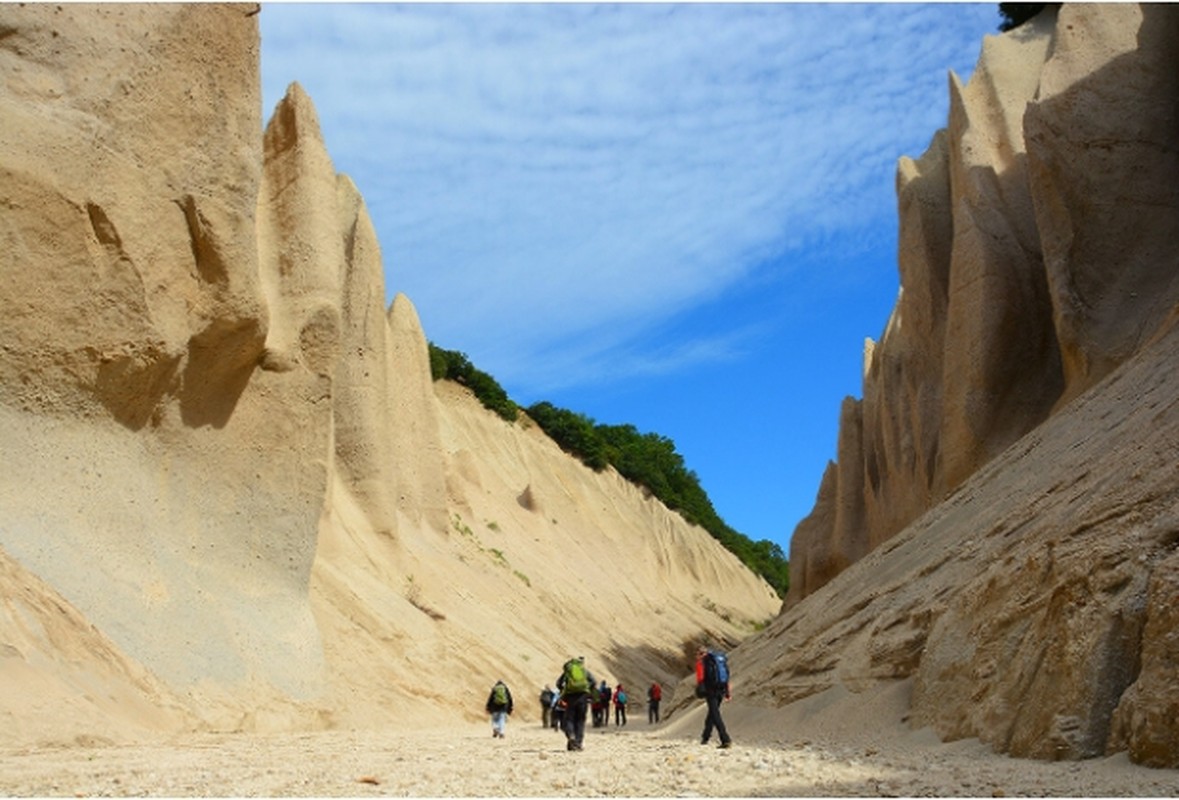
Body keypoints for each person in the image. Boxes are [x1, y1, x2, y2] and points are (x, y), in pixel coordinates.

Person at [695, 645, 731, 749]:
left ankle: (725, 739)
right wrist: (727, 693)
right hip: (721, 690)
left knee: (715, 715)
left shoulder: (701, 663)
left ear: (700, 654)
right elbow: (727, 676)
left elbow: (700, 678)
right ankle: (705, 737)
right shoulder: (720, 661)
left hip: (710, 691)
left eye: (697, 654)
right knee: (712, 713)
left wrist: (701, 691)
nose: (696, 656)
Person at [556, 656, 595, 751]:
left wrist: (564, 690)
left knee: (569, 718)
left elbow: (558, 683)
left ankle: (571, 736)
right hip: (583, 697)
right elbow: (593, 681)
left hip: (570, 697)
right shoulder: (584, 671)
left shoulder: (568, 671)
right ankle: (578, 743)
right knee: (580, 720)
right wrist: (587, 689)